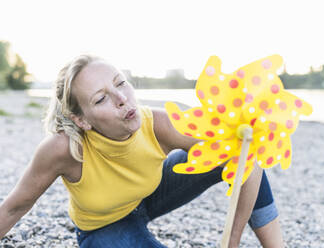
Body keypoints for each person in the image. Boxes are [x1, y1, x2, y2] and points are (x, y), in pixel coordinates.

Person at [0, 55, 284, 247]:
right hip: (103, 226)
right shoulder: (64, 149)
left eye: (121, 83)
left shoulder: (158, 122)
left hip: (151, 195)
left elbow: (245, 158)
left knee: (236, 148)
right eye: (101, 99)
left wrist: (232, 241)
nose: (122, 98)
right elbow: (16, 205)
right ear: (82, 119)